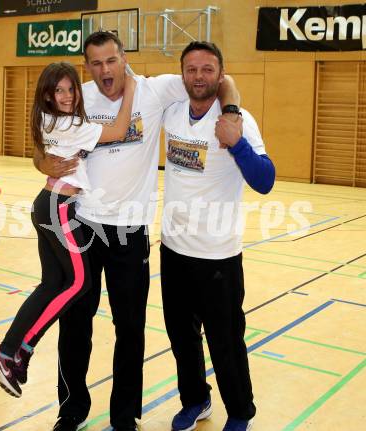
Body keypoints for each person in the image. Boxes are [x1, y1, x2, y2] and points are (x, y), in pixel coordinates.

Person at [33, 31, 240, 431]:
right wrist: (42, 163)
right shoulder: (80, 97)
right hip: (82, 224)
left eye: (111, 61)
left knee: (129, 328)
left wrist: (230, 108)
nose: (104, 70)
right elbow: (46, 144)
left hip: (130, 231)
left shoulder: (155, 90)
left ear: (123, 58)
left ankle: (125, 414)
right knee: (76, 324)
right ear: (87, 67)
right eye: (95, 63)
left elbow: (214, 79)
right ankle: (71, 409)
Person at [0, 62, 136, 398]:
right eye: (59, 90)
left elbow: (45, 155)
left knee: (53, 283)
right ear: (48, 95)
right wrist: (131, 89)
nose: (67, 95)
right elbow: (121, 129)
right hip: (59, 207)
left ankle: (10, 351)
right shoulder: (72, 125)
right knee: (80, 282)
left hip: (47, 202)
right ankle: (14, 350)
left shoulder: (47, 119)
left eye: (71, 88)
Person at [160, 41, 275, 431]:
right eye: (191, 69)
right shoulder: (172, 111)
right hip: (173, 249)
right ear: (183, 74)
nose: (198, 77)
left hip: (218, 255)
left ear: (220, 75)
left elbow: (265, 180)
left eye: (207, 69)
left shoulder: (240, 119)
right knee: (181, 337)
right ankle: (196, 400)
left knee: (225, 341)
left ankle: (240, 411)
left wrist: (237, 142)